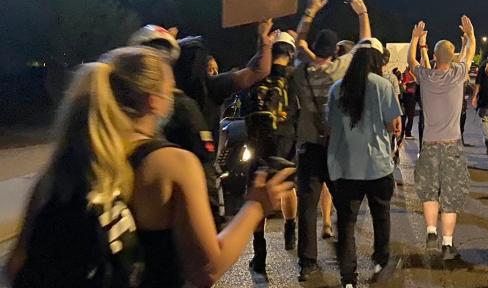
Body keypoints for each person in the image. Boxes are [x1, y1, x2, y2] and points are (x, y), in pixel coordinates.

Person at [7, 47, 294, 288]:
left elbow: (16, 265)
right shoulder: (172, 165)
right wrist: (256, 205)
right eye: (171, 91)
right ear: (154, 101)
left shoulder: (62, 167)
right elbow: (206, 268)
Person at [128, 22, 273, 225]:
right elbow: (257, 71)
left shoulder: (133, 101)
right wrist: (264, 42)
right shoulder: (206, 90)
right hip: (193, 189)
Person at [289, 0, 370, 283]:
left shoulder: (302, 72)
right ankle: (347, 265)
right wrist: (362, 13)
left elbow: (298, 44)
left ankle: (307, 263)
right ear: (334, 51)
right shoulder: (341, 70)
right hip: (338, 149)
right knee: (345, 210)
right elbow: (364, 44)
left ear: (313, 50)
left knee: (307, 209)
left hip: (308, 148)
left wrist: (310, 10)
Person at [326, 38, 403, 288]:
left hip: (345, 167)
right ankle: (380, 261)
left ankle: (348, 278)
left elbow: (330, 125)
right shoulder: (383, 85)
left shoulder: (337, 88)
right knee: (381, 216)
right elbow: (395, 126)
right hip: (378, 166)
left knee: (346, 223)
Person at [408, 16, 477, 261]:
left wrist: (416, 38)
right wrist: (470, 35)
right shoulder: (459, 74)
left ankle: (430, 233)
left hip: (429, 144)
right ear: (453, 57)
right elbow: (469, 53)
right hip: (452, 145)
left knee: (429, 191)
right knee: (451, 194)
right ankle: (447, 244)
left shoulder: (425, 77)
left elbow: (411, 61)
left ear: (435, 57)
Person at [239, 30, 300, 275]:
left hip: (258, 143)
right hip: (285, 140)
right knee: (287, 187)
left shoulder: (256, 76)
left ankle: (260, 254)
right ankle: (290, 231)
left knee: (257, 194)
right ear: (291, 53)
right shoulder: (294, 77)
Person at [400, 67, 419, 138]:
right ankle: (404, 132)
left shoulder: (412, 73)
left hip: (410, 96)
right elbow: (402, 84)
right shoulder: (404, 74)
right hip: (407, 95)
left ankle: (406, 132)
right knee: (406, 115)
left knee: (409, 115)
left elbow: (416, 81)